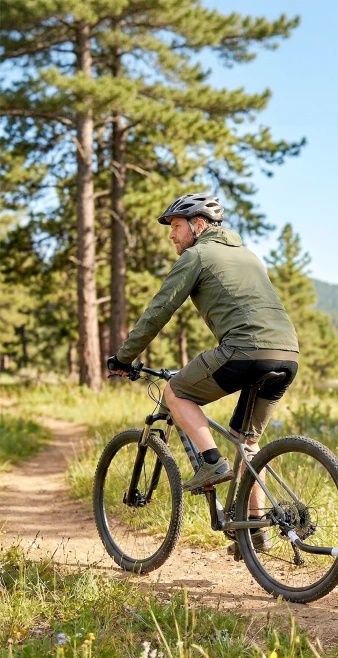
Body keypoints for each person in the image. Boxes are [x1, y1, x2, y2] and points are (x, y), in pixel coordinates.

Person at [107, 192, 299, 503]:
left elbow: (159, 311)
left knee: (175, 390)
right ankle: (255, 531)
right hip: (288, 354)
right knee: (246, 444)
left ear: (198, 224)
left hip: (245, 351)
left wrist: (124, 357)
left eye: (176, 226)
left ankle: (211, 462)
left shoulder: (196, 256)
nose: (171, 235)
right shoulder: (249, 255)